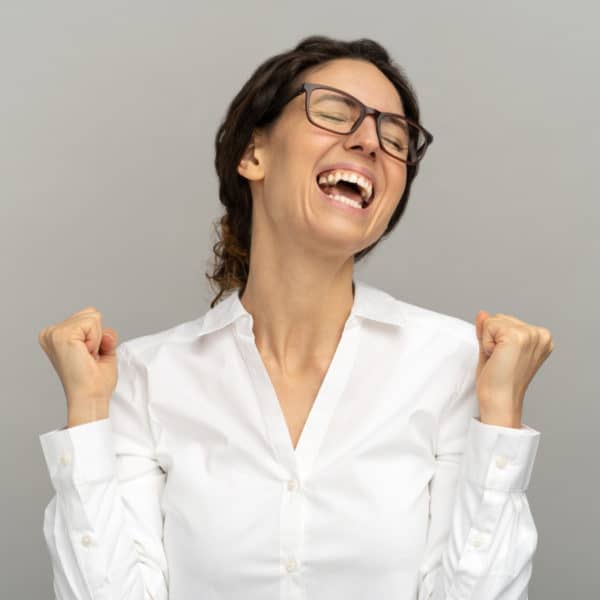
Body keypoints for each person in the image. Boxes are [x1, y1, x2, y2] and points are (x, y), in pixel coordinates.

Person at [38, 35, 552, 599]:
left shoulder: (458, 367)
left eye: (396, 138)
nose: (369, 143)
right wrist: (88, 415)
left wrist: (499, 416)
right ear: (253, 154)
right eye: (333, 113)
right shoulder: (145, 378)